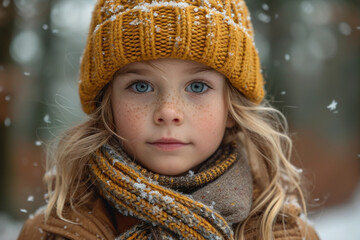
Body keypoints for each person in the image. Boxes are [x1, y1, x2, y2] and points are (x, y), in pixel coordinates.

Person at [18, 0, 320, 239]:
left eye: (198, 87)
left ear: (231, 107)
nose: (169, 111)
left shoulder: (284, 233)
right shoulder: (50, 232)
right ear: (107, 104)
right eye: (141, 86)